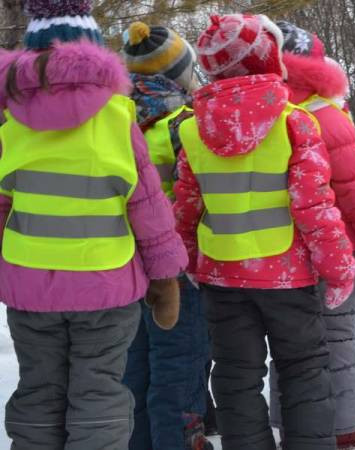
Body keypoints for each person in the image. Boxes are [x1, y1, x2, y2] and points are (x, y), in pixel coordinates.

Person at [0, 1, 188, 449]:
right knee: (99, 388)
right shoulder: (118, 118)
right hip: (106, 284)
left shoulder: (9, 123)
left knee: (39, 387)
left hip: (28, 286)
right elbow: (147, 207)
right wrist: (165, 277)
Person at [174, 13, 355, 450]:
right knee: (305, 370)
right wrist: (339, 268)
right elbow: (314, 206)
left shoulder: (193, 128)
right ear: (268, 58)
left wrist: (185, 261)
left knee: (236, 375)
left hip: (222, 274)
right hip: (287, 275)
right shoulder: (296, 123)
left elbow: (185, 206)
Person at [266, 22, 355, 450]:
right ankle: (343, 422)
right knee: (337, 335)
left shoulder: (256, 113)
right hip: (334, 249)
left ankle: (286, 413)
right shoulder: (325, 115)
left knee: (288, 340)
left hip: (274, 253)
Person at [121, 22, 213, 450]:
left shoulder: (116, 120)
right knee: (179, 363)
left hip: (127, 265)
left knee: (136, 367)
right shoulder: (185, 123)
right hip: (177, 268)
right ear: (181, 71)